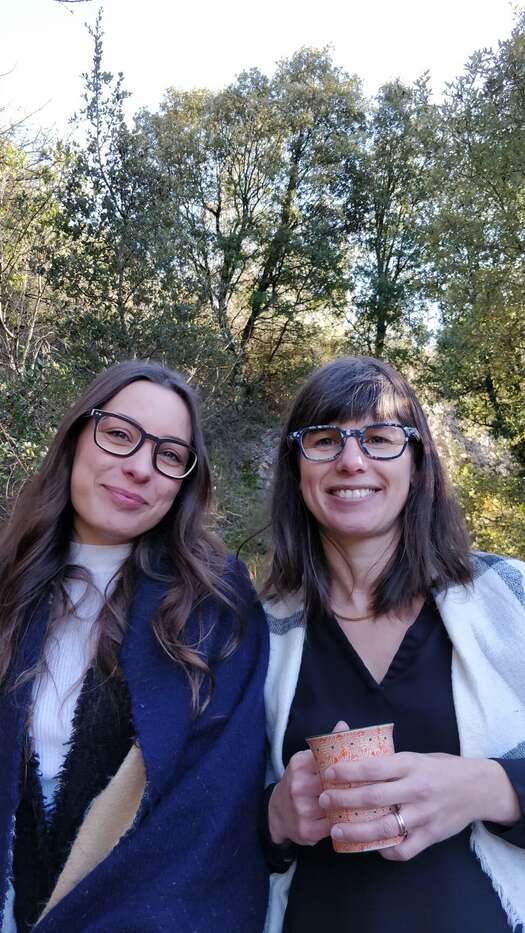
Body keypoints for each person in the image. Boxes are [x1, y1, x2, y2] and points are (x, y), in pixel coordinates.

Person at [0, 360, 269, 933]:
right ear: (77, 438)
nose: (140, 467)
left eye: (169, 455)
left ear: (184, 484)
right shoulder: (9, 583)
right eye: (120, 435)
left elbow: (211, 814)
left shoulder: (215, 607)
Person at [262, 356, 525, 933]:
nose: (351, 459)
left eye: (380, 438)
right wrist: (276, 817)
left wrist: (493, 787)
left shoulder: (511, 601)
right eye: (324, 440)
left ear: (417, 463)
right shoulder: (257, 632)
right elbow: (206, 829)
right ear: (296, 466)